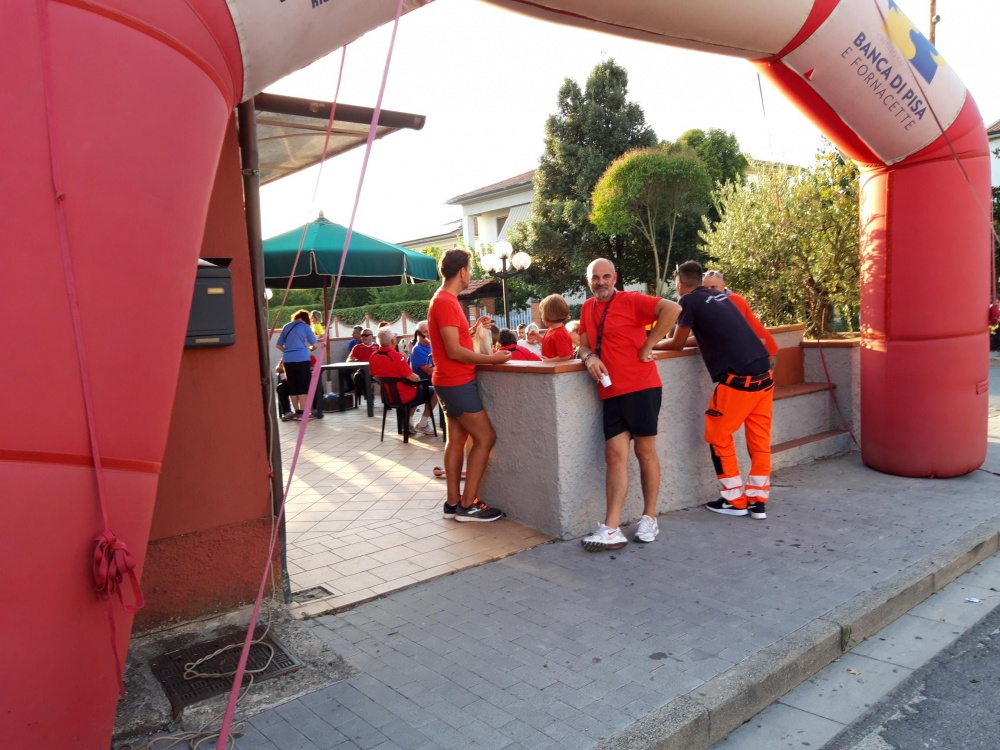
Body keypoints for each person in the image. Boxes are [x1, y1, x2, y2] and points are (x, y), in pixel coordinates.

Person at [656, 260, 774, 520]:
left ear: (679, 283)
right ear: (700, 280)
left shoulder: (688, 301)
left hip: (739, 381)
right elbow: (704, 335)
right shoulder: (720, 297)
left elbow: (676, 343)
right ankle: (758, 501)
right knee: (759, 441)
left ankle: (734, 500)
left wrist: (650, 343)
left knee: (719, 437)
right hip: (764, 375)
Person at [576, 258, 680, 552]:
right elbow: (583, 345)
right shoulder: (587, 308)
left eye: (606, 276)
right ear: (588, 280)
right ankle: (611, 529)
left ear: (615, 277)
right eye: (595, 277)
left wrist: (649, 344)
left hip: (642, 387)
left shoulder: (631, 300)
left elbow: (673, 309)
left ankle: (649, 518)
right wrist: (589, 358)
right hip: (610, 391)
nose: (601, 282)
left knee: (645, 452)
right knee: (614, 455)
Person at [428, 248, 512, 522]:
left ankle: (453, 503)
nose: (471, 274)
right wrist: (493, 359)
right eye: (470, 269)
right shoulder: (446, 302)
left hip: (448, 381)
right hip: (457, 382)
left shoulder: (442, 299)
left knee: (456, 440)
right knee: (486, 438)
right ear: (462, 271)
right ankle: (467, 505)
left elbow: (451, 341)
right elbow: (454, 351)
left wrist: (473, 330)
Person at [369, 327, 438, 435]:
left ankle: (409, 423)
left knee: (417, 389)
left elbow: (374, 374)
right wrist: (418, 378)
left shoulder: (373, 356)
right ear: (393, 340)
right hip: (404, 396)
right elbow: (412, 377)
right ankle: (423, 424)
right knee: (434, 391)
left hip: (387, 396)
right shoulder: (397, 356)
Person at [702, 270, 779, 367]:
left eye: (713, 287)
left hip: (762, 352)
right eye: (705, 288)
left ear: (723, 285)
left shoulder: (733, 300)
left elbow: (734, 331)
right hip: (748, 353)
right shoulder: (712, 303)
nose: (709, 291)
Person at [275, 309, 318, 421]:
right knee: (303, 386)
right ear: (306, 319)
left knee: (293, 386)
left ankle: (297, 412)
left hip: (288, 360)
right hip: (302, 359)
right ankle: (303, 413)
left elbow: (278, 345)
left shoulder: (286, 326)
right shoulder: (305, 327)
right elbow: (314, 345)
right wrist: (309, 349)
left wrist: (287, 351)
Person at [539, 294, 575, 362]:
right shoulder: (553, 330)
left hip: (558, 368)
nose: (541, 317)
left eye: (542, 313)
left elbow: (566, 355)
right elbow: (551, 344)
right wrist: (538, 338)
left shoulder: (558, 334)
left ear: (549, 315)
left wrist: (548, 361)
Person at [347, 327, 377, 404]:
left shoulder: (377, 347)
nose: (364, 337)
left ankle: (387, 401)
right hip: (363, 370)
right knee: (357, 376)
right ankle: (369, 396)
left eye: (366, 335)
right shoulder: (357, 347)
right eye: (362, 335)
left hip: (376, 371)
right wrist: (355, 361)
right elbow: (349, 360)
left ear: (371, 336)